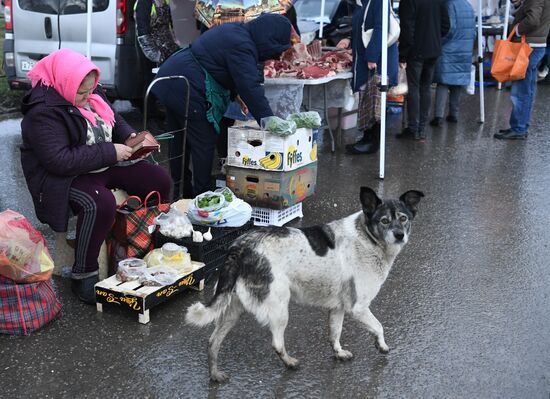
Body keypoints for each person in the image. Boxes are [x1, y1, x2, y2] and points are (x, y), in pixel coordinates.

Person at [20, 48, 172, 304]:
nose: (88, 96)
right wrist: (111, 151)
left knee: (158, 179)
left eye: (91, 90)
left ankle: (146, 244)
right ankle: (84, 274)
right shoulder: (42, 112)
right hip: (64, 177)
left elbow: (112, 118)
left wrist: (129, 139)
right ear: (64, 83)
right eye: (81, 92)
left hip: (103, 163)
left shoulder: (89, 90)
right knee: (99, 203)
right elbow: (60, 160)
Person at [152, 13, 295, 198]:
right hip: (187, 85)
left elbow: (220, 64)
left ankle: (181, 195)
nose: (272, 57)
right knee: (203, 140)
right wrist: (269, 120)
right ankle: (202, 197)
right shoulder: (243, 45)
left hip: (173, 78)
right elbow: (250, 86)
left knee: (179, 141)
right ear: (269, 39)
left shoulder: (237, 31)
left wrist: (236, 95)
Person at [338, 0, 399, 155]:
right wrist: (349, 40)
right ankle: (367, 138)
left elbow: (380, 28)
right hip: (369, 62)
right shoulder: (364, 3)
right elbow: (362, 28)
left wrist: (372, 56)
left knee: (375, 102)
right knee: (367, 101)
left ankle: (372, 142)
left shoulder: (378, 1)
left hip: (377, 63)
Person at [494, 0, 550, 140]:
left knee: (521, 90)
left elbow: (532, 19)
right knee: (527, 89)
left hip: (529, 45)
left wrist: (517, 30)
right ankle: (520, 126)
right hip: (535, 44)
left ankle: (519, 128)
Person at [397, 0, 449, 140]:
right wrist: (434, 38)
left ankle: (413, 128)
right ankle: (422, 129)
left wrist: (403, 55)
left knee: (414, 88)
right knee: (425, 88)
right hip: (433, 50)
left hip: (416, 51)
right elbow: (446, 26)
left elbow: (406, 28)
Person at [430, 0, 476, 127]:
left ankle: (438, 117)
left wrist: (438, 41)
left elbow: (449, 29)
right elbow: (474, 30)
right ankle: (453, 115)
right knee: (457, 82)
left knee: (443, 82)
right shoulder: (468, 5)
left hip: (449, 48)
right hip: (464, 48)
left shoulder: (448, 4)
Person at [135, 0, 180, 64]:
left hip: (169, 48)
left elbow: (169, 24)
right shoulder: (144, 3)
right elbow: (143, 33)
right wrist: (157, 56)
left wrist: (175, 40)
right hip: (154, 51)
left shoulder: (165, 1)